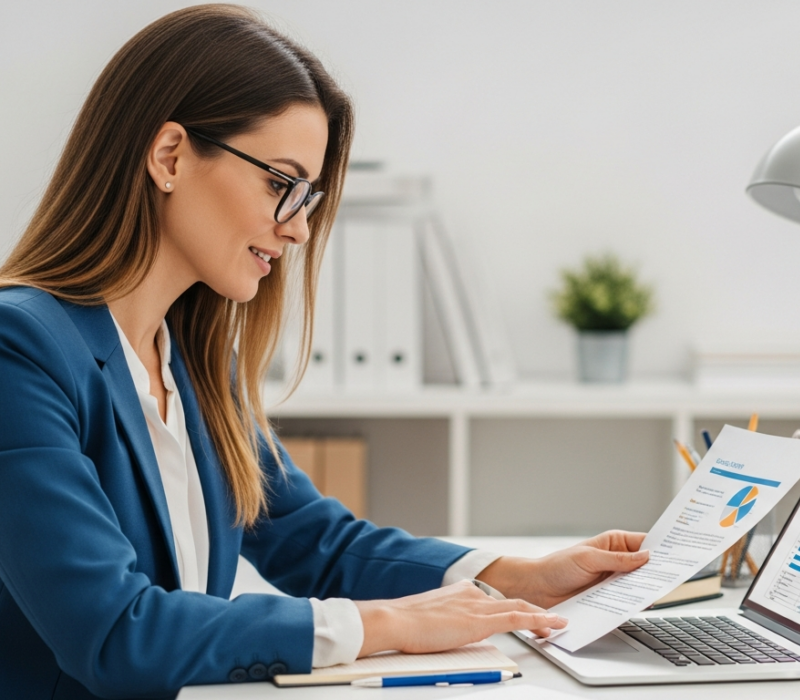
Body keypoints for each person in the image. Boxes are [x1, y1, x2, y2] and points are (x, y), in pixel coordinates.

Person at [0, 5, 650, 699]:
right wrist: (383, 625)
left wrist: (515, 575)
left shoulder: (187, 357)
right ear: (170, 156)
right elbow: (116, 633)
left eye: (307, 197)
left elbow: (313, 539)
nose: (301, 229)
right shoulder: (22, 351)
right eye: (282, 185)